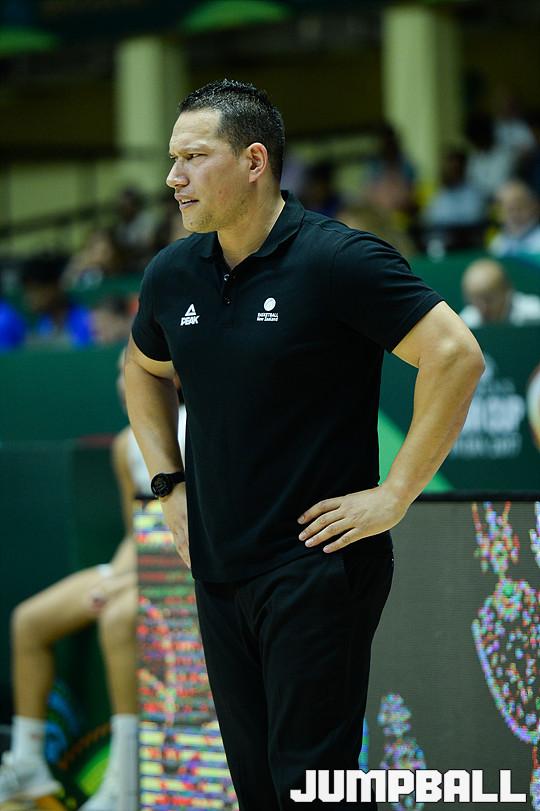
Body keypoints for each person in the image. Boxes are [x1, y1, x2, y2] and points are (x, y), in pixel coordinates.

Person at [124, 79, 485, 811]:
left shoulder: (336, 259)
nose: (173, 178)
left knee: (310, 787)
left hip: (317, 565)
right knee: (259, 789)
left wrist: (396, 493)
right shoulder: (172, 273)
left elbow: (456, 355)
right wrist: (169, 485)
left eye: (193, 157)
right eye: (172, 159)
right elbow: (142, 370)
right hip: (219, 570)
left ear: (254, 161)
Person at [0, 350, 187, 809]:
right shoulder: (124, 446)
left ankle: (125, 780)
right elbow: (136, 531)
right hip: (141, 564)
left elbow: (190, 526)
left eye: (134, 372)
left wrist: (128, 583)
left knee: (118, 617)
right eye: (121, 373)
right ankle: (27, 763)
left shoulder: (195, 430)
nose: (124, 383)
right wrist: (119, 576)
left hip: (185, 570)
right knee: (28, 621)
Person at [460, 258, 540, 327]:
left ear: (506, 290)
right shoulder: (466, 322)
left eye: (488, 299)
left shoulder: (535, 313)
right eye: (476, 301)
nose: (483, 307)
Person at [489, 179, 540, 259]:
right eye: (506, 206)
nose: (514, 213)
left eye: (520, 204)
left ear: (535, 205)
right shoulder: (498, 242)